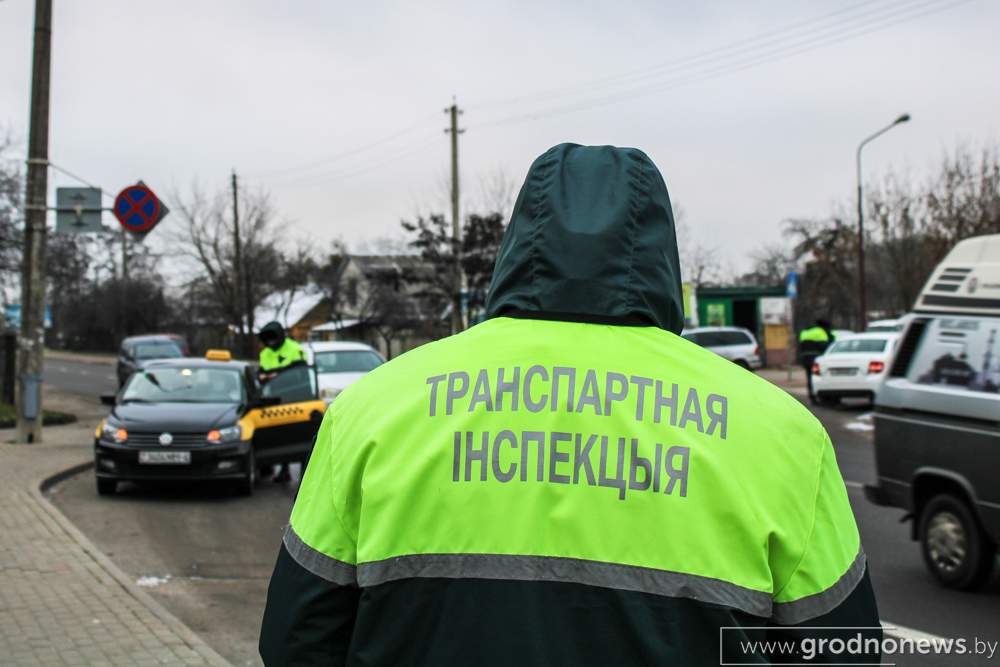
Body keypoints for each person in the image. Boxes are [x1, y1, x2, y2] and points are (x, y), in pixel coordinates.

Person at [259, 144, 880, 666]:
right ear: (663, 253)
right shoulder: (783, 435)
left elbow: (296, 641)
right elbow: (844, 649)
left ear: (518, 243)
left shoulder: (372, 411)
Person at [257, 321, 305, 483]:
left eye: (273, 339)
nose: (270, 343)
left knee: (296, 436)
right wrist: (264, 376)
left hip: (294, 396)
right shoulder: (265, 353)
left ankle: (302, 473)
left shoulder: (294, 348)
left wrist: (274, 374)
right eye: (267, 340)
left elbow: (300, 369)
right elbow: (262, 372)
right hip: (275, 398)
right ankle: (279, 469)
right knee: (280, 435)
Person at [798, 318, 835, 404]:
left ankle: (812, 397)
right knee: (820, 377)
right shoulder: (822, 332)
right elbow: (828, 345)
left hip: (806, 358)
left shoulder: (806, 332)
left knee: (810, 378)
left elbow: (801, 346)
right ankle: (825, 397)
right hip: (818, 359)